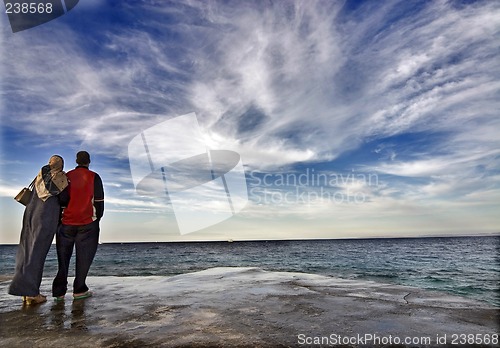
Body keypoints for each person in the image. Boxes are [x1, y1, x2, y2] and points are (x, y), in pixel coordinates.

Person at [9, 155, 68, 305]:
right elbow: (64, 199)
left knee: (26, 250)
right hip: (45, 218)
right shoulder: (60, 178)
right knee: (37, 253)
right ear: (61, 165)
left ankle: (24, 291)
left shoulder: (40, 176)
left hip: (30, 215)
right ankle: (32, 293)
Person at [52, 151, 104, 301]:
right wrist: (96, 219)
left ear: (76, 161)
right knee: (84, 258)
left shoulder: (67, 176)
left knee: (62, 260)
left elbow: (61, 199)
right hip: (87, 223)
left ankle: (59, 292)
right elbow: (99, 201)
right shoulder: (94, 177)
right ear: (88, 161)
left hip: (66, 223)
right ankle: (79, 289)